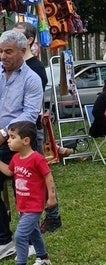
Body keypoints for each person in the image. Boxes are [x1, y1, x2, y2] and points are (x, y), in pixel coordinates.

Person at [13, 22, 70, 234]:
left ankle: (52, 216)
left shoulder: (35, 68)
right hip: (13, 131)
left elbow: (31, 105)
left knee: (35, 174)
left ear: (28, 41)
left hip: (29, 130)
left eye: (17, 36)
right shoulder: (11, 66)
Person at [0, 30, 43, 260]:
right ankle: (4, 240)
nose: (3, 56)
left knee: (24, 194)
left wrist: (5, 133)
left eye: (8, 51)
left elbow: (29, 114)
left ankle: (31, 244)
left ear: (22, 51)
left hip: (19, 142)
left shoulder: (31, 79)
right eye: (0, 51)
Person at [0, 121, 55, 265]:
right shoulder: (16, 158)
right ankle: (44, 258)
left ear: (26, 141)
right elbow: (9, 171)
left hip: (34, 206)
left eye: (12, 137)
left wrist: (51, 197)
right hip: (22, 205)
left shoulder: (37, 158)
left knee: (20, 236)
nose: (9, 141)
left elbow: (48, 176)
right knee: (34, 232)